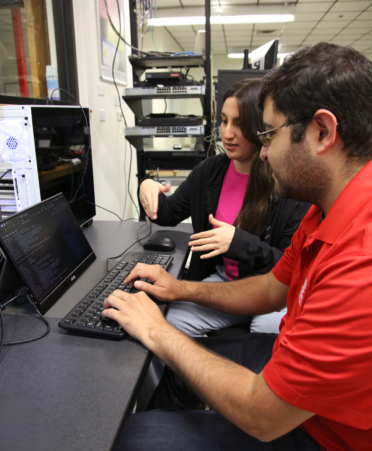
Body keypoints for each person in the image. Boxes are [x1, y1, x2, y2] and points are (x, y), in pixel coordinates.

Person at [102, 42, 372, 451]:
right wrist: (180, 289)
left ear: (322, 132)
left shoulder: (361, 261)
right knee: (184, 365)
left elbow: (262, 417)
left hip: (323, 436)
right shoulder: (327, 211)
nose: (262, 151)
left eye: (268, 134)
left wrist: (158, 331)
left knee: (129, 439)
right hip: (300, 384)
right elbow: (269, 289)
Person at [139, 78, 309, 337]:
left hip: (273, 291)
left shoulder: (285, 182)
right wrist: (147, 186)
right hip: (226, 284)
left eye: (239, 124)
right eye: (224, 121)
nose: (227, 133)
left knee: (267, 333)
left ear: (259, 127)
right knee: (171, 322)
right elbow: (168, 213)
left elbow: (292, 268)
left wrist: (238, 243)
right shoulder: (210, 172)